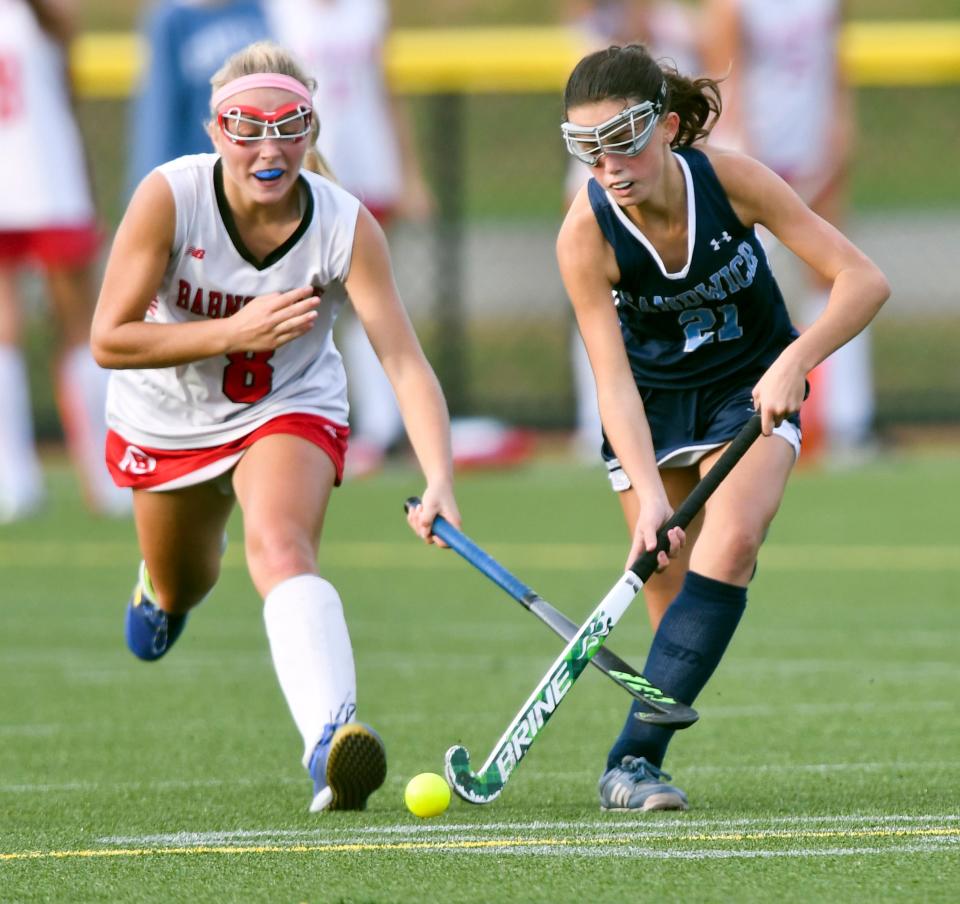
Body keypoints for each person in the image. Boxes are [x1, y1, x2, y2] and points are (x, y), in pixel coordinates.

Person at [90, 40, 460, 813]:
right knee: (184, 581)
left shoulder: (343, 223)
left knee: (281, 546)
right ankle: (162, 590)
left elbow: (404, 361)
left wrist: (440, 479)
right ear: (215, 130)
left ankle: (330, 743)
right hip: (167, 419)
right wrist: (234, 331)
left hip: (285, 404)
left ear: (312, 129)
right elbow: (110, 339)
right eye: (246, 126)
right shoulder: (170, 196)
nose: (269, 147)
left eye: (290, 125)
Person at [556, 44, 888, 811]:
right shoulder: (586, 236)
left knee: (731, 543)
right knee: (670, 595)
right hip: (650, 408)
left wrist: (795, 360)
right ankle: (647, 764)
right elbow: (610, 380)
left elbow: (863, 280)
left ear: (668, 127)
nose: (609, 166)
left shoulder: (731, 180)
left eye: (624, 140)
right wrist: (645, 496)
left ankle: (628, 759)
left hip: (750, 387)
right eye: (588, 150)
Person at [699, 0, 875, 462]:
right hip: (756, 156)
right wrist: (746, 157)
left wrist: (840, 128)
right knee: (746, 284)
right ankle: (736, 415)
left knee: (834, 276)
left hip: (812, 147)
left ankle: (847, 419)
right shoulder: (731, 6)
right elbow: (724, 79)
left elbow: (833, 61)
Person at [265, 0, 434, 475]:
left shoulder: (368, 9)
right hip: (307, 172)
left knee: (370, 302)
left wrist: (409, 171)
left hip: (368, 167)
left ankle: (382, 426)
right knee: (304, 299)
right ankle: (300, 420)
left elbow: (385, 89)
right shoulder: (281, 11)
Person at [0, 0, 130, 521]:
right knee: (29, 329)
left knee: (79, 329)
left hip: (48, 180)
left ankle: (94, 476)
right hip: (36, 181)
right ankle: (25, 479)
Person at [562, 0, 701, 461]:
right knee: (601, 307)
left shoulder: (681, 25)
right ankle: (595, 421)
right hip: (613, 192)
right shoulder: (597, 39)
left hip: (669, 185)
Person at [127, 0, 271, 191]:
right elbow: (158, 123)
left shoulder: (263, 9)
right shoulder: (171, 20)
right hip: (199, 185)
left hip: (260, 174)